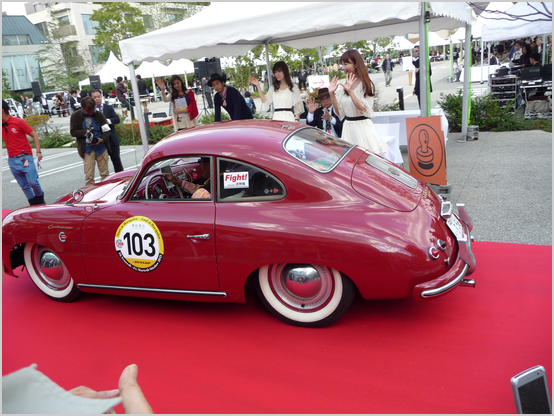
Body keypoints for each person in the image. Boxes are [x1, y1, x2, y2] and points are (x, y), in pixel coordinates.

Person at [328, 50, 388, 156]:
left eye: (346, 64)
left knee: (365, 161)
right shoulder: (344, 86)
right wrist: (332, 94)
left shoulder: (366, 84)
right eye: (341, 64)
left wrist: (351, 91)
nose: (342, 67)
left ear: (356, 64)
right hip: (347, 127)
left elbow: (363, 109)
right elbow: (339, 112)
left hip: (362, 128)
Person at [2, 100, 45, 205]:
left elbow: (34, 135)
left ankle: (40, 200)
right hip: (12, 159)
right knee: (23, 185)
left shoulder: (18, 122)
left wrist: (38, 152)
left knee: (33, 182)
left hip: (24, 157)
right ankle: (32, 203)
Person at [69, 96, 112, 186]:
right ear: (82, 108)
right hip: (87, 149)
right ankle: (90, 196)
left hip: (101, 148)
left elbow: (107, 130)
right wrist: (85, 132)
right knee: (89, 177)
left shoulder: (99, 115)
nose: (91, 113)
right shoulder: (76, 116)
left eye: (92, 110)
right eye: (88, 111)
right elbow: (73, 132)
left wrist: (102, 139)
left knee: (105, 175)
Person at [91, 89, 124, 173]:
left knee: (117, 162)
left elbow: (117, 119)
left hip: (112, 139)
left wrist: (107, 121)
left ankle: (121, 179)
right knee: (103, 165)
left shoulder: (108, 107)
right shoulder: (90, 110)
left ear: (101, 97)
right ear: (91, 99)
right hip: (100, 140)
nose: (97, 99)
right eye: (94, 97)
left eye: (98, 96)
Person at [412, 45, 432, 109]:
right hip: (419, 86)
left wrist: (420, 69)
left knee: (425, 106)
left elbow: (429, 72)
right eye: (414, 51)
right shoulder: (417, 61)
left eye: (416, 51)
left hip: (424, 86)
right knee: (421, 106)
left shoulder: (424, 60)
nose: (414, 53)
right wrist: (415, 88)